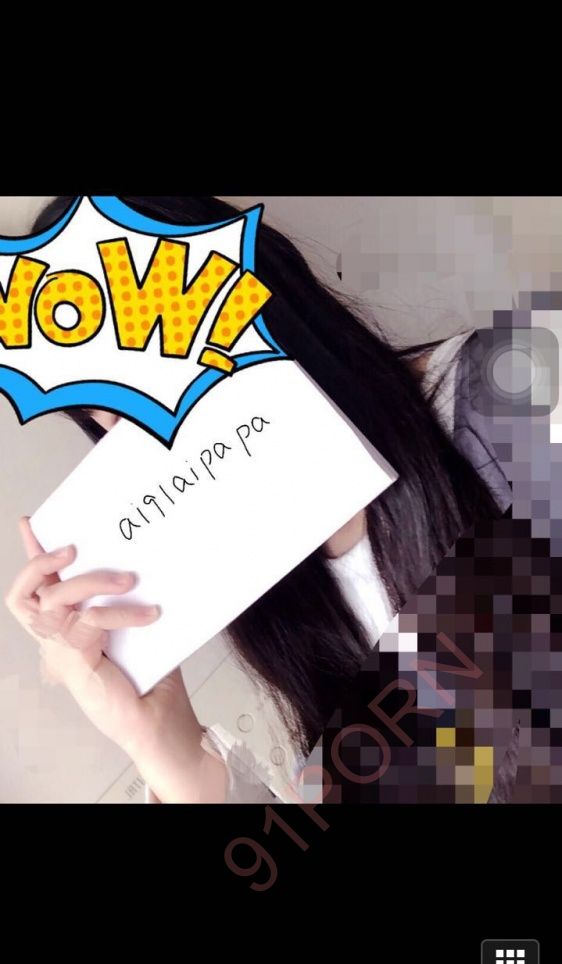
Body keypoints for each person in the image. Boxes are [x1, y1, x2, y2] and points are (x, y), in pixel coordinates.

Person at [4, 196, 508, 804]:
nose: (148, 422)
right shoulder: (283, 614)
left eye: (142, 357)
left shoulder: (509, 396)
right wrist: (166, 749)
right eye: (104, 408)